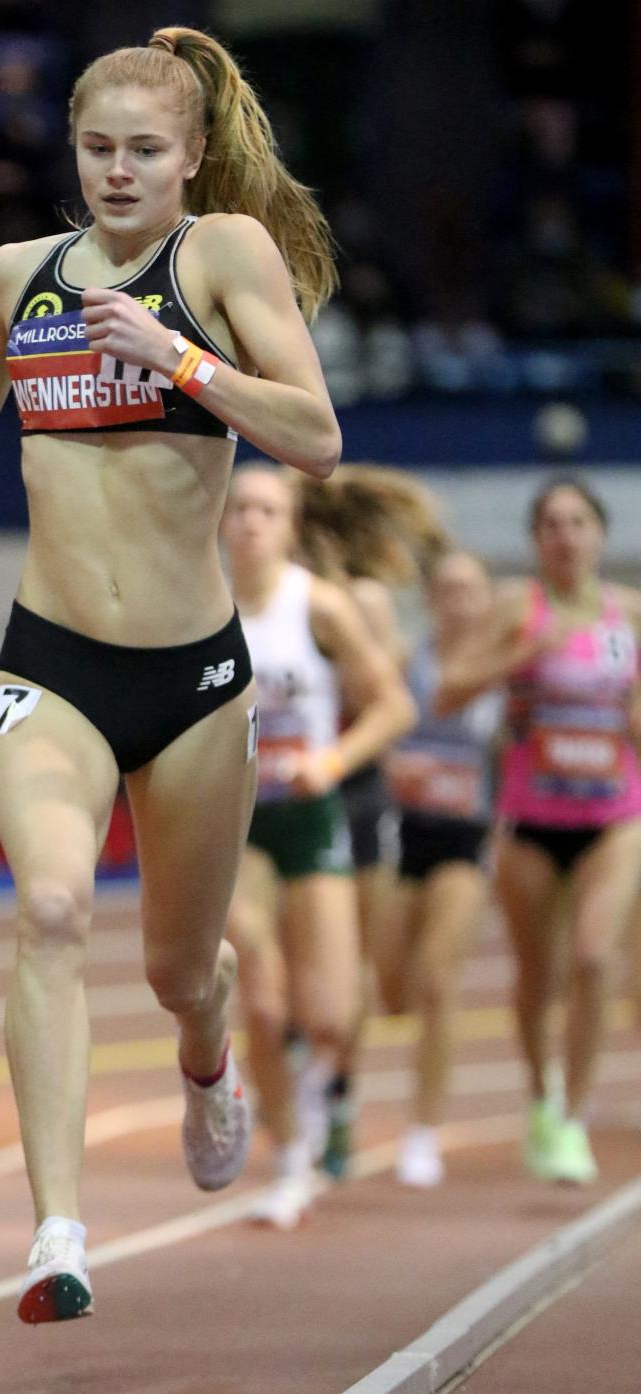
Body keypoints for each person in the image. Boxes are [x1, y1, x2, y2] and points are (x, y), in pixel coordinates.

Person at [0, 25, 341, 1321]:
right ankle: (57, 1231)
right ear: (73, 151)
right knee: (53, 910)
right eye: (97, 149)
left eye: (144, 151)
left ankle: (208, 1054)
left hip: (191, 682)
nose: (117, 172)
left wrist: (176, 356)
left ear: (190, 160)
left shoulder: (219, 255)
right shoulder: (20, 274)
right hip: (50, 659)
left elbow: (318, 436)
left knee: (181, 970)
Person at [222, 462, 413, 1228]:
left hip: (311, 815)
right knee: (263, 1001)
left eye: (268, 509)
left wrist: (329, 760)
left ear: (293, 527)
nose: (251, 521)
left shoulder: (319, 606)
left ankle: (320, 1097)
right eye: (238, 507)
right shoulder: (198, 605)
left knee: (331, 1013)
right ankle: (289, 1155)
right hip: (233, 824)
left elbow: (393, 707)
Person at [438, 478, 641, 1183]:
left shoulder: (629, 615)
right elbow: (449, 688)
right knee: (539, 975)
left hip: (614, 818)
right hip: (530, 821)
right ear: (536, 539)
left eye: (578, 521)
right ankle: (540, 1095)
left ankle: (575, 1117)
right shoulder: (513, 609)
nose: (565, 534)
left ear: (599, 534)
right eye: (551, 523)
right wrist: (521, 656)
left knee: (593, 958)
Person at [292, 464, 450, 1178]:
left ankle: (339, 1096)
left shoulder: (362, 602)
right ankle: (306, 1074)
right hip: (279, 792)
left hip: (352, 791)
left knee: (348, 958)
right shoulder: (278, 596)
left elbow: (379, 695)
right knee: (285, 954)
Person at [376, 551, 503, 1186]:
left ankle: (423, 1132)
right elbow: (373, 729)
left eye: (469, 589)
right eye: (447, 589)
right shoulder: (407, 662)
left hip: (466, 840)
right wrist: (393, 764)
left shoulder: (504, 675)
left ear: (487, 600)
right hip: (402, 836)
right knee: (392, 990)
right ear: (430, 598)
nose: (457, 600)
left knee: (434, 980)